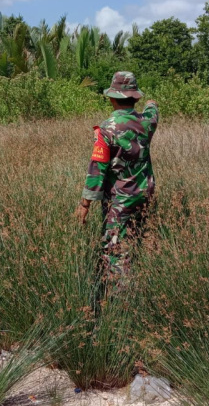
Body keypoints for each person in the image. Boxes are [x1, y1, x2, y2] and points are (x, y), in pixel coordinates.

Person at [76, 71, 159, 288]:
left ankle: (121, 297)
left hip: (119, 200)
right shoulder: (147, 122)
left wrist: (85, 204)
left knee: (115, 248)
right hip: (144, 194)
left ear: (112, 98)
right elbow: (153, 111)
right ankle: (146, 282)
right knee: (139, 238)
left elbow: (97, 169)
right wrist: (152, 103)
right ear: (135, 98)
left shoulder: (106, 129)